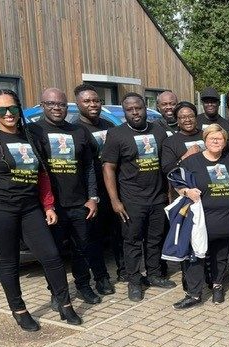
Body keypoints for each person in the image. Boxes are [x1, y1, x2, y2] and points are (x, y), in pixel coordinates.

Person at [0, 89, 82, 330]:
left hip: (30, 209)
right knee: (8, 262)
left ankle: (64, 303)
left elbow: (43, 175)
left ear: (20, 110)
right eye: (2, 110)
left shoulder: (30, 136)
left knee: (51, 256)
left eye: (13, 108)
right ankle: (19, 310)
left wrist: (48, 205)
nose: (9, 114)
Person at [29, 88, 111, 307]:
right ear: (43, 105)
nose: (57, 108)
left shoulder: (78, 131)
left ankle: (84, 285)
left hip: (79, 204)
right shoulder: (33, 131)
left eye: (61, 104)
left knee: (81, 249)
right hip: (50, 207)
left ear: (68, 106)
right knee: (53, 254)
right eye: (51, 104)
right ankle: (57, 292)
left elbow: (89, 168)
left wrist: (93, 197)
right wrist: (45, 204)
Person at [102, 92, 177, 302]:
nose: (135, 112)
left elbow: (166, 165)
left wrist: (169, 194)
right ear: (124, 111)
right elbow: (108, 168)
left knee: (155, 239)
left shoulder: (159, 131)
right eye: (130, 109)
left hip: (157, 198)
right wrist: (115, 201)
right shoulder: (116, 134)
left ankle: (153, 274)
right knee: (132, 241)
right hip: (131, 200)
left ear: (146, 108)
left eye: (139, 108)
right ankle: (134, 281)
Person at [171, 124, 229, 308]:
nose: (216, 141)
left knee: (220, 255)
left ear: (225, 142)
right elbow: (175, 180)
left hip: (227, 219)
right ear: (205, 140)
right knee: (196, 256)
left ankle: (217, 285)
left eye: (220, 138)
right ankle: (194, 294)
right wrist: (185, 191)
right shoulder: (191, 162)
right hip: (200, 220)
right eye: (212, 138)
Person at [73, 83, 124, 285]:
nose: (93, 104)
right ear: (78, 103)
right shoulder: (76, 130)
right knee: (94, 237)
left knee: (119, 233)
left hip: (114, 188)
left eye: (96, 100)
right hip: (91, 193)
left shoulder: (109, 126)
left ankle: (124, 271)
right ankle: (101, 277)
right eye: (87, 101)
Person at [161, 102, 205, 176]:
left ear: (196, 118)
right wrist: (186, 156)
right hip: (186, 185)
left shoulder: (206, 135)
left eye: (191, 116)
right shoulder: (170, 142)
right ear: (177, 120)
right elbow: (166, 169)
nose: (187, 120)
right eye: (183, 117)